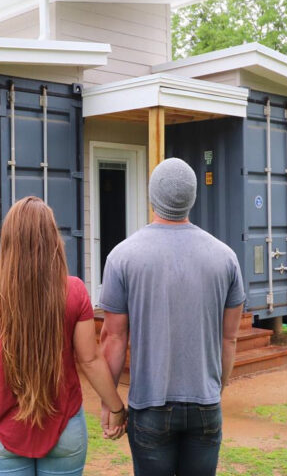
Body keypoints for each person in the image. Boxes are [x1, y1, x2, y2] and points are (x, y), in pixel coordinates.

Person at [99, 158, 245, 476]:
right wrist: (214, 390)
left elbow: (114, 337)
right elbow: (229, 337)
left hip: (149, 406)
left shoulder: (122, 256)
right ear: (192, 198)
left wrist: (109, 403)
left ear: (152, 196)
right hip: (206, 404)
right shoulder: (226, 258)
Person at [0, 196, 127, 475]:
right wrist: (116, 407)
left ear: (8, 241)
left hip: (5, 432)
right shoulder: (74, 290)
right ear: (53, 239)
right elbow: (90, 359)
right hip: (65, 430)